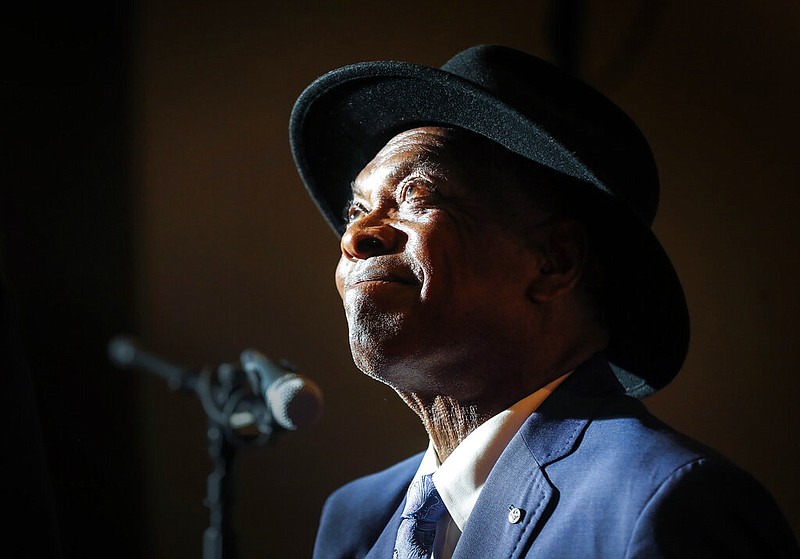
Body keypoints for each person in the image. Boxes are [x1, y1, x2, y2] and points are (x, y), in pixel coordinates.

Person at [289, 45, 800, 558]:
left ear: (554, 261)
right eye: (357, 208)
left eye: (416, 197)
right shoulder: (354, 519)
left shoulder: (671, 503)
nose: (355, 237)